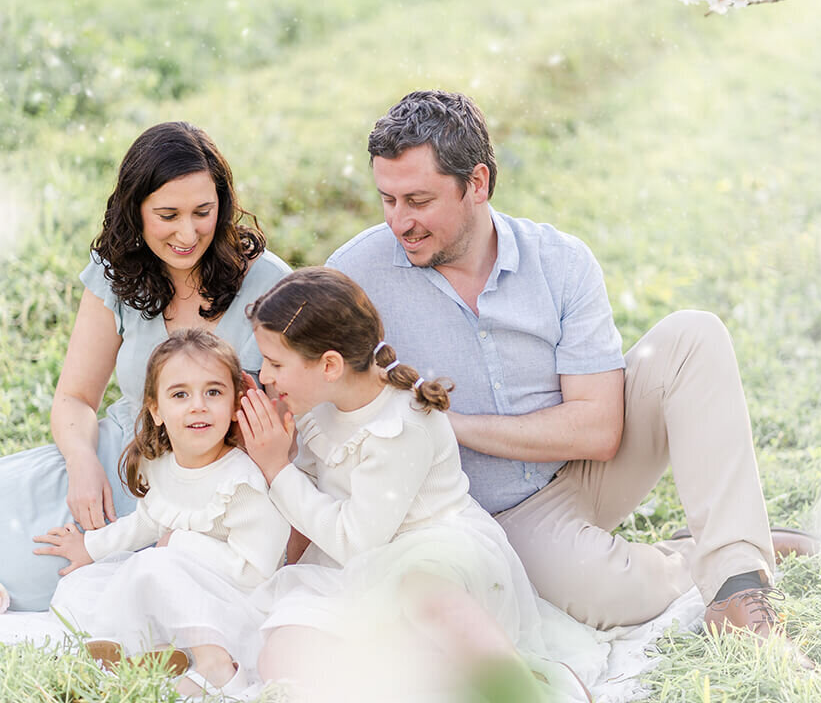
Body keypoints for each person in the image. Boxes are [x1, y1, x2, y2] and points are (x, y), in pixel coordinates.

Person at [326, 90, 815, 661]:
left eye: (418, 200)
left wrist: (451, 425)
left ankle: (736, 583)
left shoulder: (559, 260)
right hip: (491, 513)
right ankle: (695, 552)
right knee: (611, 594)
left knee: (693, 335)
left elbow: (600, 431)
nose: (399, 222)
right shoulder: (353, 278)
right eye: (387, 200)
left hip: (588, 470)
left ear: (476, 183)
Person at [0, 121, 291, 611]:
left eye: (204, 212)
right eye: (167, 215)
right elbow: (74, 398)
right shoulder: (118, 273)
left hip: (217, 480)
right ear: (136, 211)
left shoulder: (270, 283)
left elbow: (294, 414)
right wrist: (82, 464)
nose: (188, 233)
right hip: (124, 455)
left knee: (106, 583)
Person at [237, 267, 599, 703]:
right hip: (346, 564)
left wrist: (277, 469)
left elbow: (357, 539)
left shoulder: (402, 424)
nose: (266, 376)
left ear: (329, 365)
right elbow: (313, 504)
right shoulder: (316, 408)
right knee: (281, 650)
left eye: (276, 364)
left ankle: (526, 689)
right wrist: (291, 567)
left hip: (430, 548)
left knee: (424, 594)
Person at [35, 329, 289, 698]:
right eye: (180, 394)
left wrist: (179, 545)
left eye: (213, 392)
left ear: (235, 405)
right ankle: (141, 656)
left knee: (155, 566)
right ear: (156, 409)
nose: (198, 405)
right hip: (185, 585)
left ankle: (217, 665)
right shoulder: (162, 466)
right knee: (87, 586)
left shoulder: (240, 482)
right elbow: (146, 522)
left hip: (239, 605)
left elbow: (256, 570)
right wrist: (90, 547)